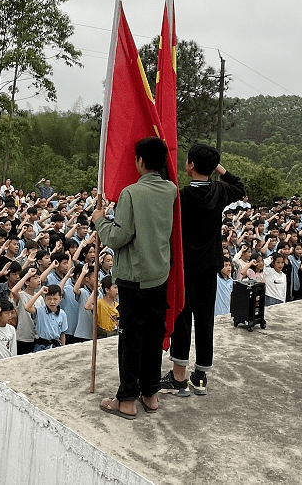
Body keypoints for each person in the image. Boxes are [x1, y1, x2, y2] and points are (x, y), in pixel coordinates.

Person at [93, 137, 177, 420]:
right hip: (159, 274)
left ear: (140, 161)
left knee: (131, 337)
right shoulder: (171, 190)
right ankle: (150, 393)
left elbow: (118, 237)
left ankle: (126, 399)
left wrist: (100, 220)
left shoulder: (131, 193)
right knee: (153, 335)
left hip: (133, 278)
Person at [161, 143, 247, 394]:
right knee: (205, 318)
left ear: (190, 166)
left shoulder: (181, 196)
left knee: (182, 316)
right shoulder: (220, 191)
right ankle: (200, 377)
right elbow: (239, 187)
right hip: (210, 265)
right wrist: (216, 167)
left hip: (185, 266)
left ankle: (178, 377)